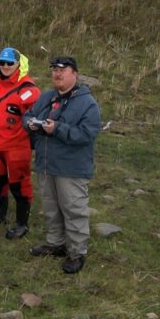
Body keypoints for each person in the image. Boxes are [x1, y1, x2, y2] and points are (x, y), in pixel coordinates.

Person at [24, 56, 102, 275]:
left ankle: (77, 253)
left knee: (73, 210)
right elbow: (28, 115)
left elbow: (88, 134)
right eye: (54, 70)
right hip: (46, 164)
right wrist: (30, 124)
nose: (57, 74)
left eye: (63, 70)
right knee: (50, 207)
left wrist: (57, 128)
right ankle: (55, 243)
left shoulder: (87, 103)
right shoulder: (47, 97)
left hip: (71, 168)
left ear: (74, 74)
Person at [0, 47, 39, 239]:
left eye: (10, 63)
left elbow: (36, 119)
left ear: (18, 64)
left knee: (19, 185)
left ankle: (22, 223)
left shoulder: (29, 90)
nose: (5, 67)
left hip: (16, 147)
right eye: (2, 62)